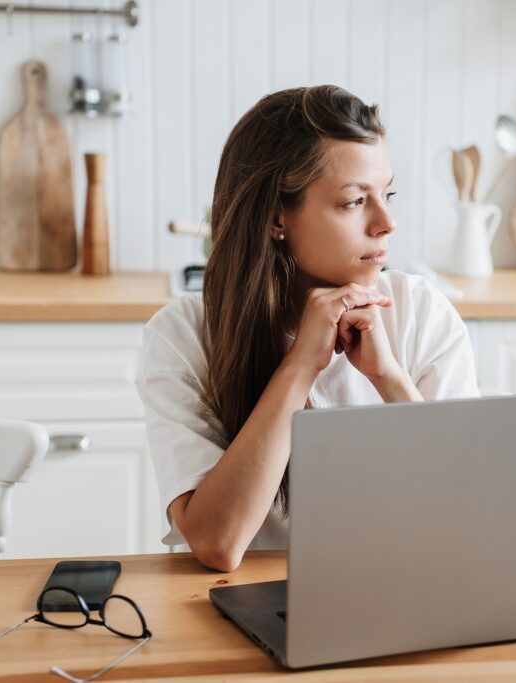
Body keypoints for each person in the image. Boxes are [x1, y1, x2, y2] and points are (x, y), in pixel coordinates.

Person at [136, 85, 480, 572]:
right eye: (355, 201)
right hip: (242, 608)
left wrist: (390, 379)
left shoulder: (420, 311)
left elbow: (470, 516)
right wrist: (299, 368)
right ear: (278, 216)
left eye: (388, 194)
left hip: (400, 588)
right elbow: (218, 543)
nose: (387, 223)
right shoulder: (182, 336)